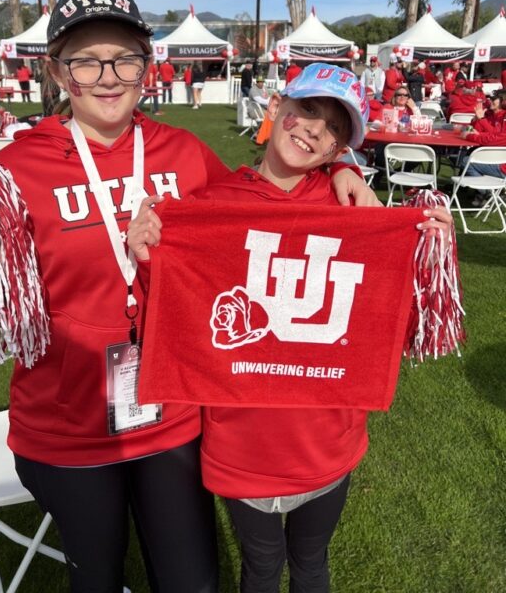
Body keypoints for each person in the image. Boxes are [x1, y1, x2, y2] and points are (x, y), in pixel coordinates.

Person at [0, 0, 378, 593]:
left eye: (125, 60)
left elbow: (270, 202)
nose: (108, 77)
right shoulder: (16, 170)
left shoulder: (184, 152)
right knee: (96, 579)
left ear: (147, 67)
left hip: (172, 417)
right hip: (69, 426)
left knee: (192, 583)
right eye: (86, 60)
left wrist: (342, 165)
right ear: (56, 70)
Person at [128, 62, 452, 593]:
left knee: (311, 564)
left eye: (333, 129)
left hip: (327, 442)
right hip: (242, 445)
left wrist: (425, 257)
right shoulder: (212, 206)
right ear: (276, 108)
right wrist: (148, 258)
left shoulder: (354, 209)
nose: (313, 130)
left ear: (338, 150)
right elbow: (175, 313)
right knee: (260, 566)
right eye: (305, 110)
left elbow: (396, 324)